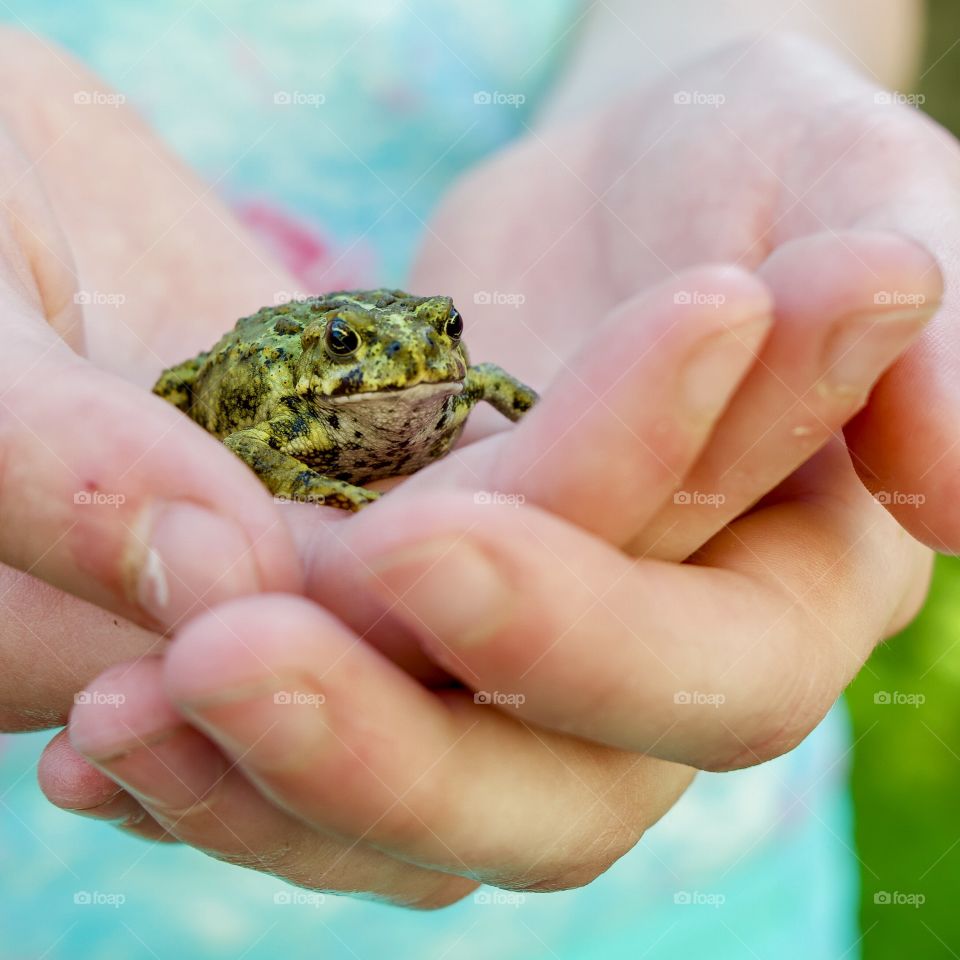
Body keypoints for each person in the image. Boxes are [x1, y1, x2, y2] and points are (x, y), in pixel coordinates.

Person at [0, 1, 953, 956]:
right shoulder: (290, 401)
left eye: (443, 334)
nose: (418, 360)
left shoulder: (452, 388)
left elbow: (490, 381)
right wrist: (310, 484)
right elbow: (246, 442)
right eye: (357, 347)